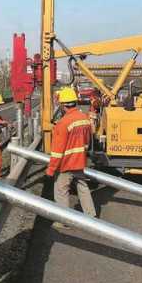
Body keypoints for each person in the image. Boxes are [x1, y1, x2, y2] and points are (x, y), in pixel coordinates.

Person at [45, 87, 97, 230]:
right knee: (83, 187)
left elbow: (57, 152)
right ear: (74, 102)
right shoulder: (84, 119)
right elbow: (86, 142)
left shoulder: (62, 124)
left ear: (63, 105)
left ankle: (63, 221)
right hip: (80, 161)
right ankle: (91, 216)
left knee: (61, 191)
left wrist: (50, 170)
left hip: (66, 164)